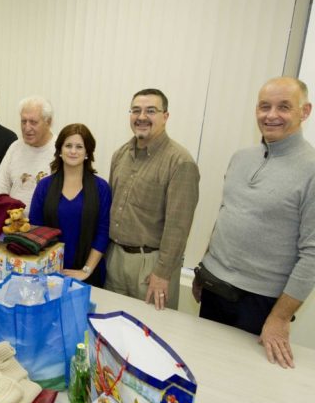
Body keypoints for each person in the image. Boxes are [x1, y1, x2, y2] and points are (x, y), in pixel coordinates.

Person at [194, 77, 315, 369]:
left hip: (260, 305)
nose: (271, 115)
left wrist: (280, 317)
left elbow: (312, 254)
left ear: (305, 111)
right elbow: (226, 215)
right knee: (204, 368)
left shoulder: (311, 169)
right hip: (215, 289)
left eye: (284, 107)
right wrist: (203, 268)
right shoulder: (241, 157)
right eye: (264, 106)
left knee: (243, 383)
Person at [105, 88, 199, 310]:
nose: (142, 117)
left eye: (151, 111)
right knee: (111, 326)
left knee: (149, 333)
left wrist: (162, 273)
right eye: (136, 110)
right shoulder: (120, 155)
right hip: (115, 257)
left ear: (165, 116)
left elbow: (178, 227)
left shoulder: (180, 162)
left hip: (151, 266)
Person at [29, 124, 111, 287]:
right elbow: (35, 229)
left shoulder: (101, 188)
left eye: (79, 147)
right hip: (49, 273)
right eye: (68, 146)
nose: (73, 151)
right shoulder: (44, 186)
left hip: (89, 275)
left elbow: (103, 233)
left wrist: (86, 270)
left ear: (87, 153)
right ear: (60, 150)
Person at [0, 96, 55, 211]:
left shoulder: (61, 150)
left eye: (33, 122)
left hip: (46, 227)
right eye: (23, 121)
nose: (27, 128)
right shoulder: (15, 147)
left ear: (48, 122)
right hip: (13, 224)